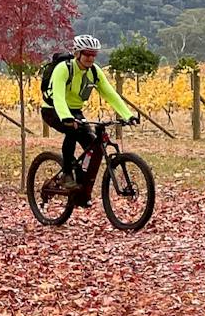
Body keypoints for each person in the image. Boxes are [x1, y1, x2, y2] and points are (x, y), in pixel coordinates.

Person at [41, 35, 136, 206]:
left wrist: (127, 115)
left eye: (94, 55)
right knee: (71, 130)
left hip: (74, 110)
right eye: (87, 54)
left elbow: (110, 94)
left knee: (93, 147)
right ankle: (67, 174)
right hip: (52, 109)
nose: (91, 58)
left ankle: (81, 193)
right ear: (77, 53)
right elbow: (59, 98)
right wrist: (67, 118)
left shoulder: (94, 71)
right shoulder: (63, 68)